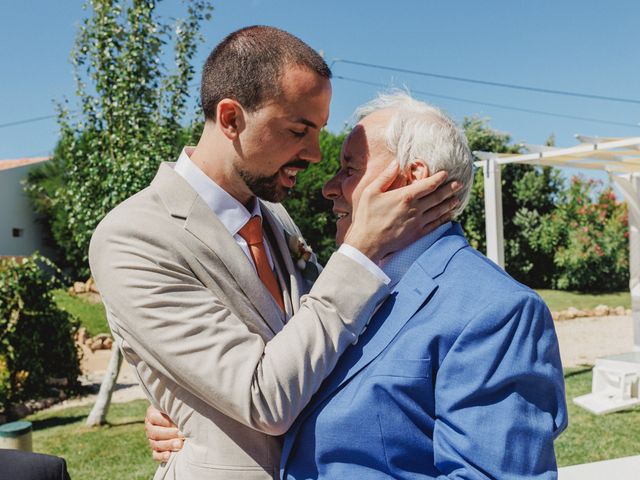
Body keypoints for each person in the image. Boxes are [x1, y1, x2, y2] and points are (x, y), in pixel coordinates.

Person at [89, 27, 458, 480]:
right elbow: (263, 400)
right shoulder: (133, 237)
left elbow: (324, 338)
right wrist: (360, 251)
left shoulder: (274, 218)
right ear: (230, 119)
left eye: (319, 132)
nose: (316, 154)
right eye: (299, 131)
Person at [149, 92, 568, 479]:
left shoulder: (497, 311)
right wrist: (199, 415)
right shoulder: (343, 281)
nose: (330, 188)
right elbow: (280, 377)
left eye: (349, 169)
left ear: (411, 180)